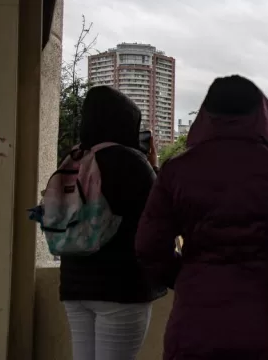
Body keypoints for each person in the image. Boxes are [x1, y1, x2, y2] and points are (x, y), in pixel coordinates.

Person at [136, 75, 268, 360]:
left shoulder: (176, 170)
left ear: (204, 117)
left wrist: (186, 274)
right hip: (264, 326)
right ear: (263, 116)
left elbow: (148, 246)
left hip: (193, 325)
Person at [60, 86, 167, 360]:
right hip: (120, 286)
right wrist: (152, 165)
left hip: (74, 283)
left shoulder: (73, 159)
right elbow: (161, 213)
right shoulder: (132, 162)